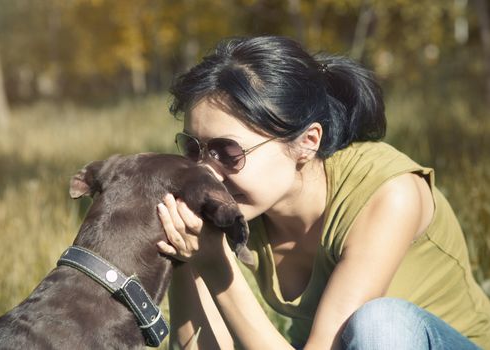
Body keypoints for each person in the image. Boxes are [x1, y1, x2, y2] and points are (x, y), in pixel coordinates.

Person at [155, 36, 490, 349]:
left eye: (228, 152)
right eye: (193, 148)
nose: (205, 173)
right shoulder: (241, 206)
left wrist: (217, 266)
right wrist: (187, 259)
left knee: (381, 322)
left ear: (307, 142)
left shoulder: (388, 192)